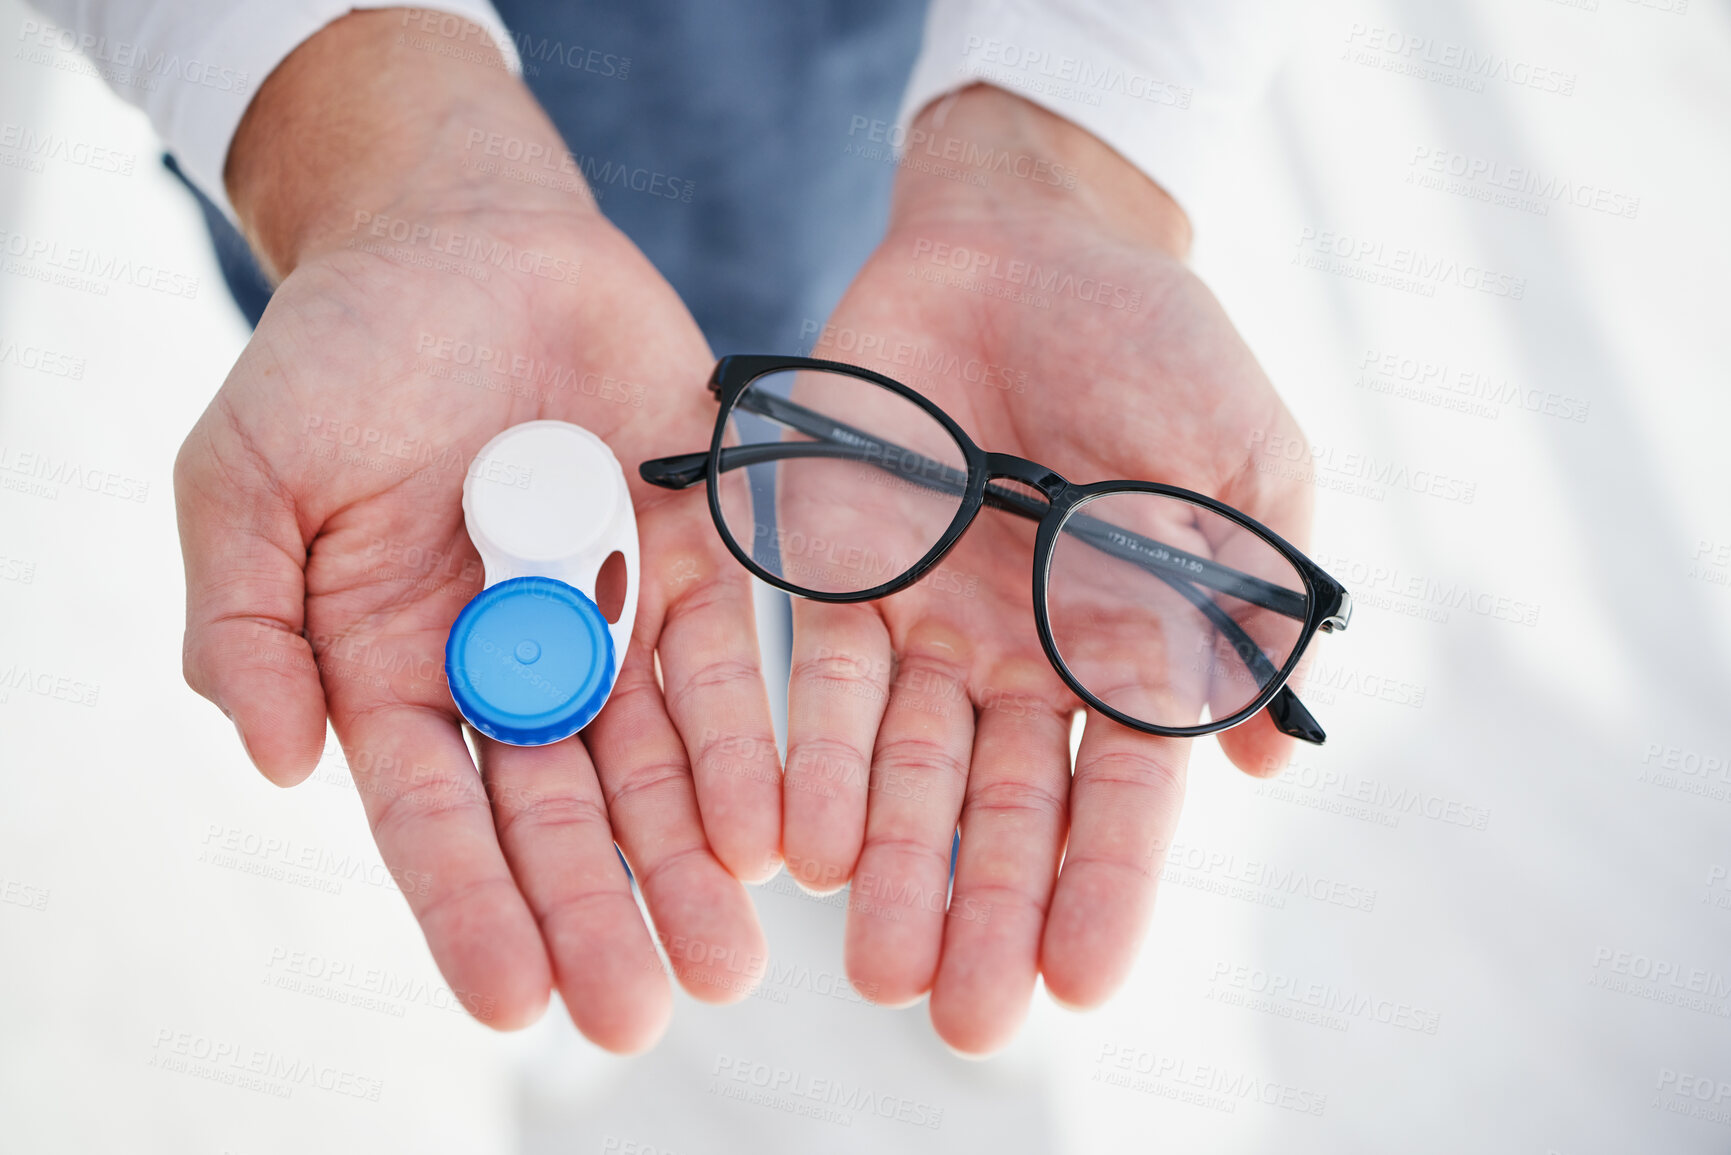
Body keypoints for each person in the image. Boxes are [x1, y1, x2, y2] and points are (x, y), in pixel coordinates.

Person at [25, 0, 1308, 1057]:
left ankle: (867, 784)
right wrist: (350, 121)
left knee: (864, 466)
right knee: (775, 540)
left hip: (831, 106)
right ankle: (707, 820)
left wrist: (1072, 138)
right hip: (410, 173)